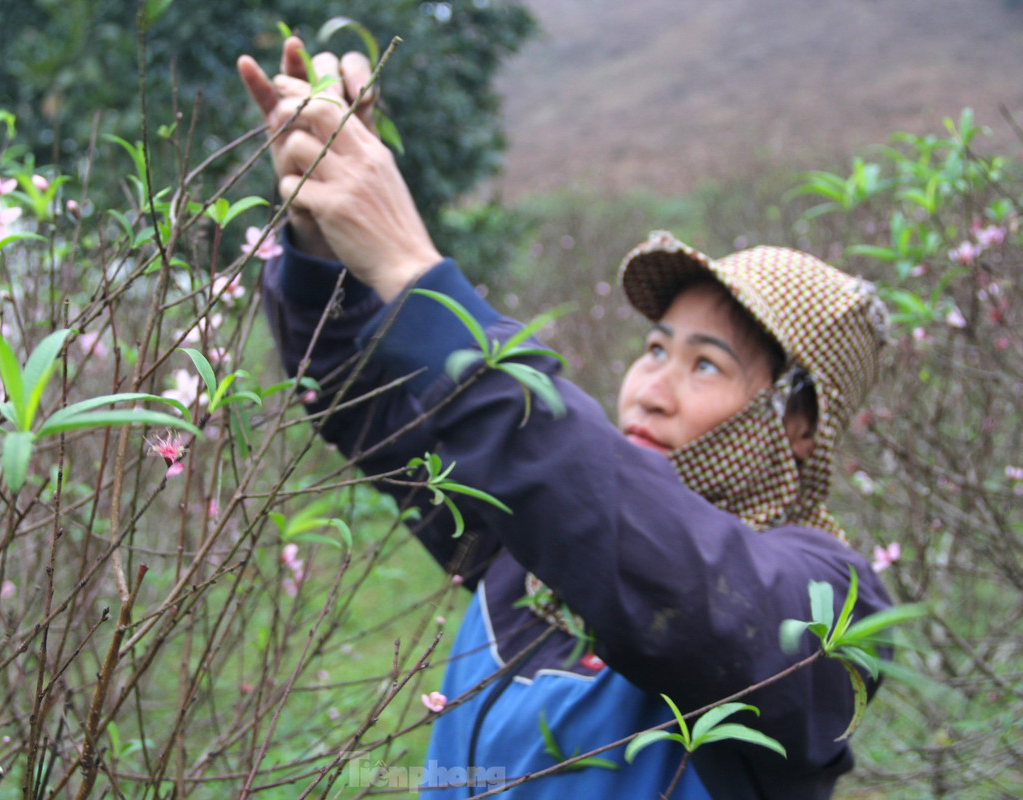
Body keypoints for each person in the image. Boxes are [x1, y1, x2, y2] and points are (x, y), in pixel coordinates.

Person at [238, 38, 893, 800]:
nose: (652, 389)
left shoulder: (830, 607)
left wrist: (418, 276)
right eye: (655, 349)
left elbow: (677, 580)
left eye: (706, 364)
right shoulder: (527, 547)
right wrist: (324, 244)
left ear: (799, 426)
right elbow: (367, 404)